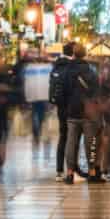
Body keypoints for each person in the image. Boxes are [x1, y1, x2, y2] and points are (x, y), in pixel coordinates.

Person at [60, 43, 97, 182]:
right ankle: (92, 172)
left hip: (72, 112)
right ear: (85, 54)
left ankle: (69, 173)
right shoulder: (90, 70)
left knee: (71, 143)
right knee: (90, 143)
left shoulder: (67, 71)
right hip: (87, 113)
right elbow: (95, 91)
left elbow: (63, 91)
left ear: (73, 54)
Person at [18, 50, 52, 151]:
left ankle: (36, 132)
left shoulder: (27, 68)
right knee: (41, 114)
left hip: (33, 95)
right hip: (44, 95)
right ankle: (39, 130)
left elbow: (22, 80)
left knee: (35, 113)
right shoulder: (49, 68)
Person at [50, 45, 75, 178]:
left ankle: (59, 171)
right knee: (73, 138)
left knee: (63, 136)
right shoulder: (71, 66)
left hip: (60, 106)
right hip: (72, 106)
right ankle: (72, 170)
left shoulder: (56, 66)